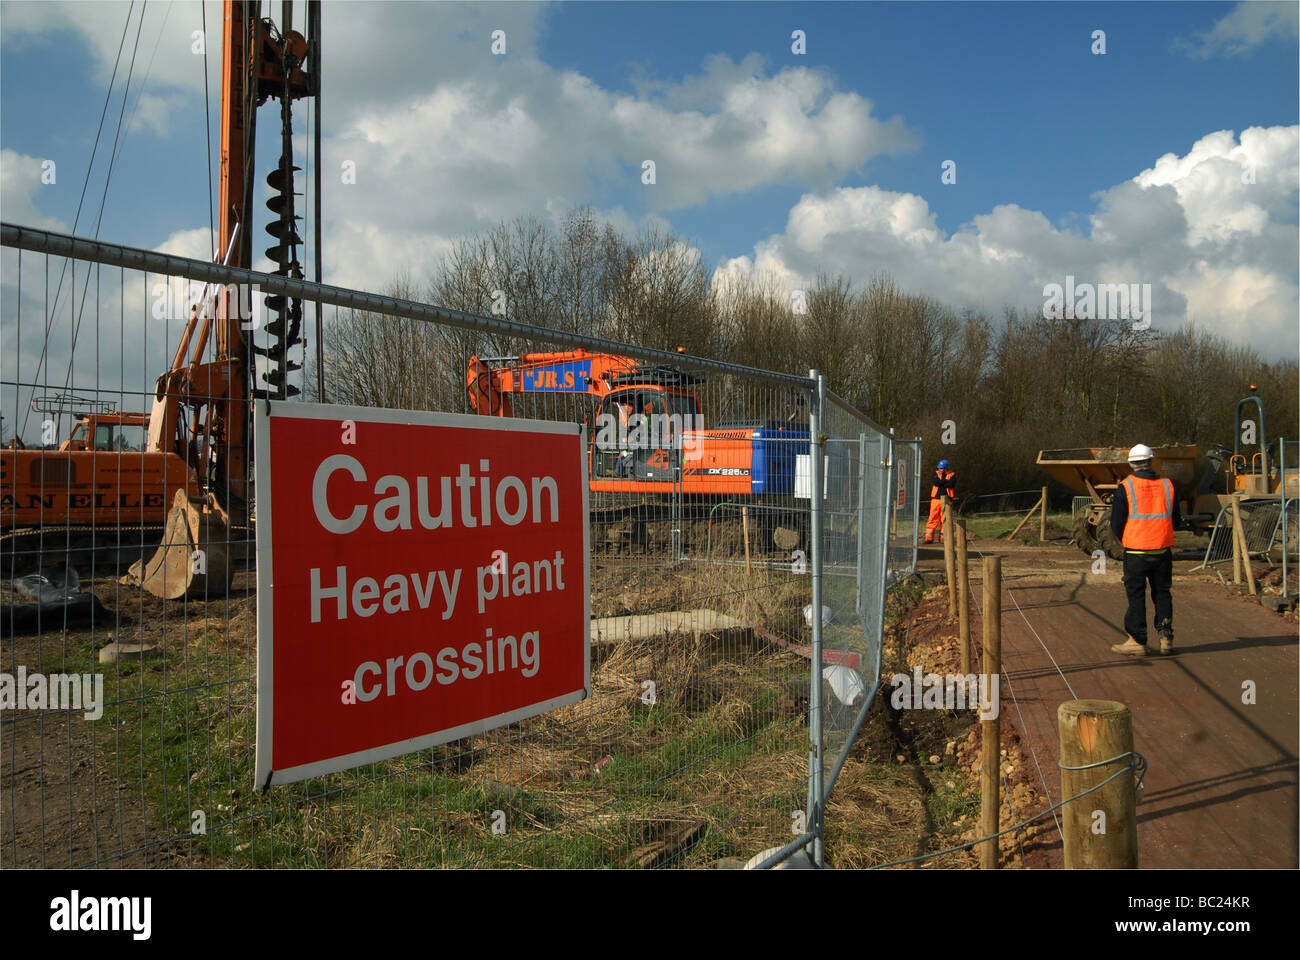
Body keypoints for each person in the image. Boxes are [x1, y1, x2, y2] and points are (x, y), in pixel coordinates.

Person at [1109, 444, 1180, 658]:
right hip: (1162, 550)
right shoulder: (1168, 485)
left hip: (1136, 551)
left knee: (1136, 596)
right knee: (1162, 593)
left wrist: (1128, 538)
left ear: (1131, 463)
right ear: (1152, 460)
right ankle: (1166, 638)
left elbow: (1116, 523)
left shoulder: (1126, 486)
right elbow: (1175, 519)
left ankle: (1137, 641)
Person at [924, 459, 956, 544]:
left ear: (946, 468)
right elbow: (936, 483)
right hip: (935, 500)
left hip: (947, 500)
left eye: (941, 468)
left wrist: (942, 482)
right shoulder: (935, 474)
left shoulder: (952, 475)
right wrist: (945, 482)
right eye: (939, 468)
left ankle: (943, 538)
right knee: (932, 518)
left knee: (945, 519)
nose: (940, 470)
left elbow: (951, 484)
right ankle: (929, 538)